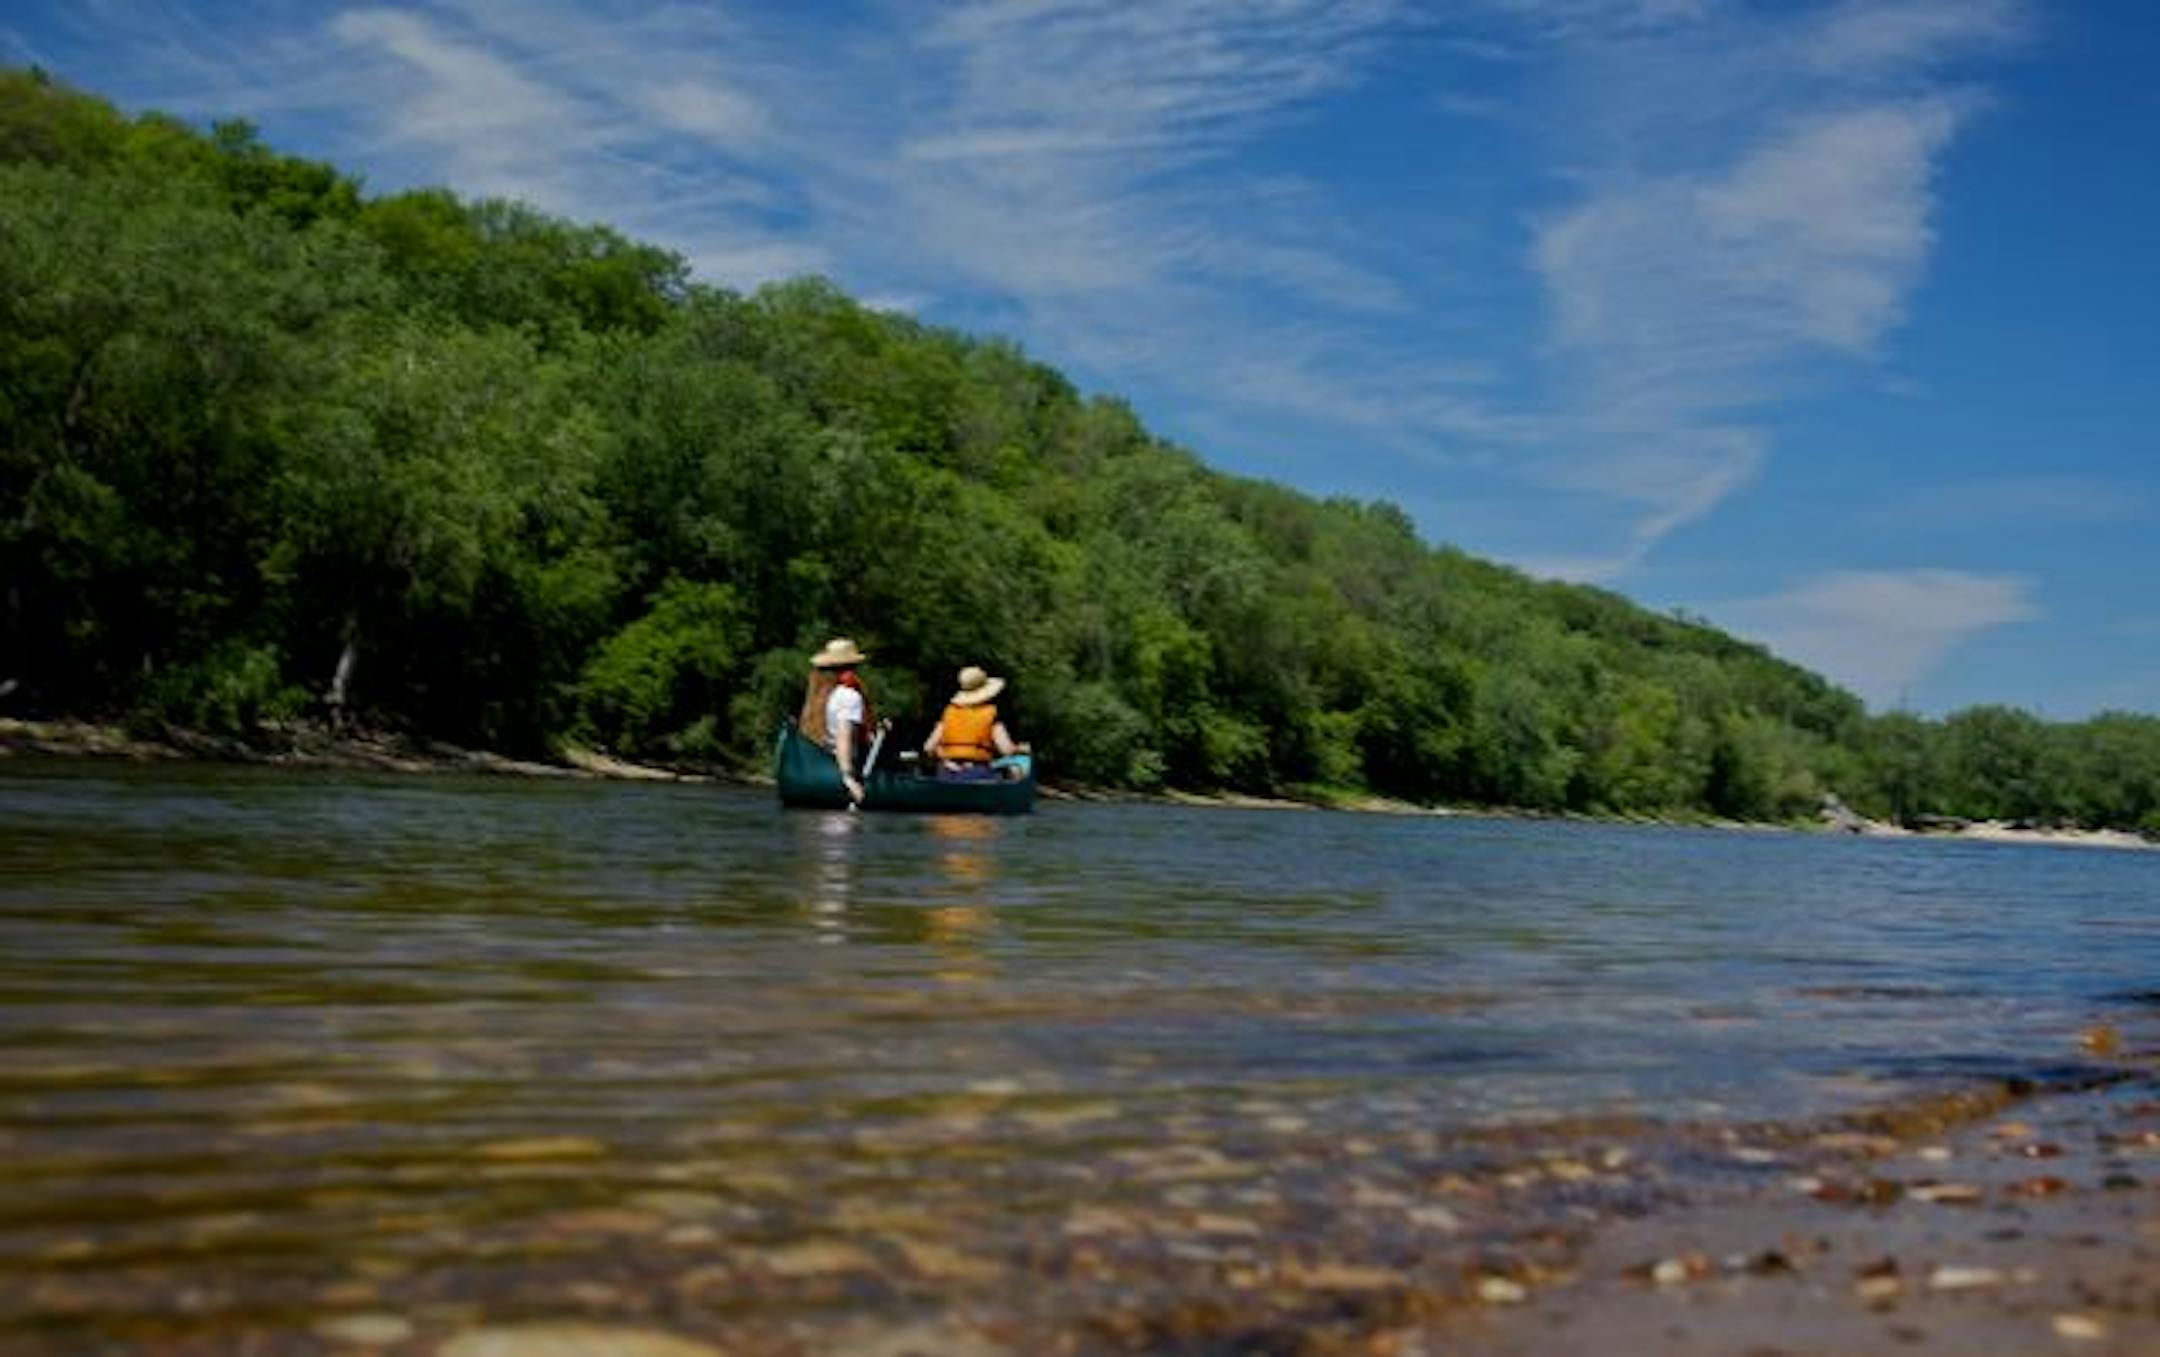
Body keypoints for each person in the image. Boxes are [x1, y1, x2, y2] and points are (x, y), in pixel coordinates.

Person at [799, 637, 877, 804]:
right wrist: (848, 778)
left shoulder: (818, 697)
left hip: (815, 768)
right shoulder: (849, 696)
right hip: (839, 770)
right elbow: (844, 739)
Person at [921, 665, 1026, 779]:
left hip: (947, 772)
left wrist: (947, 759)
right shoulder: (990, 715)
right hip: (978, 773)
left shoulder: (949, 713)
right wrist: (1020, 749)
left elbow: (928, 747)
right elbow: (1006, 750)